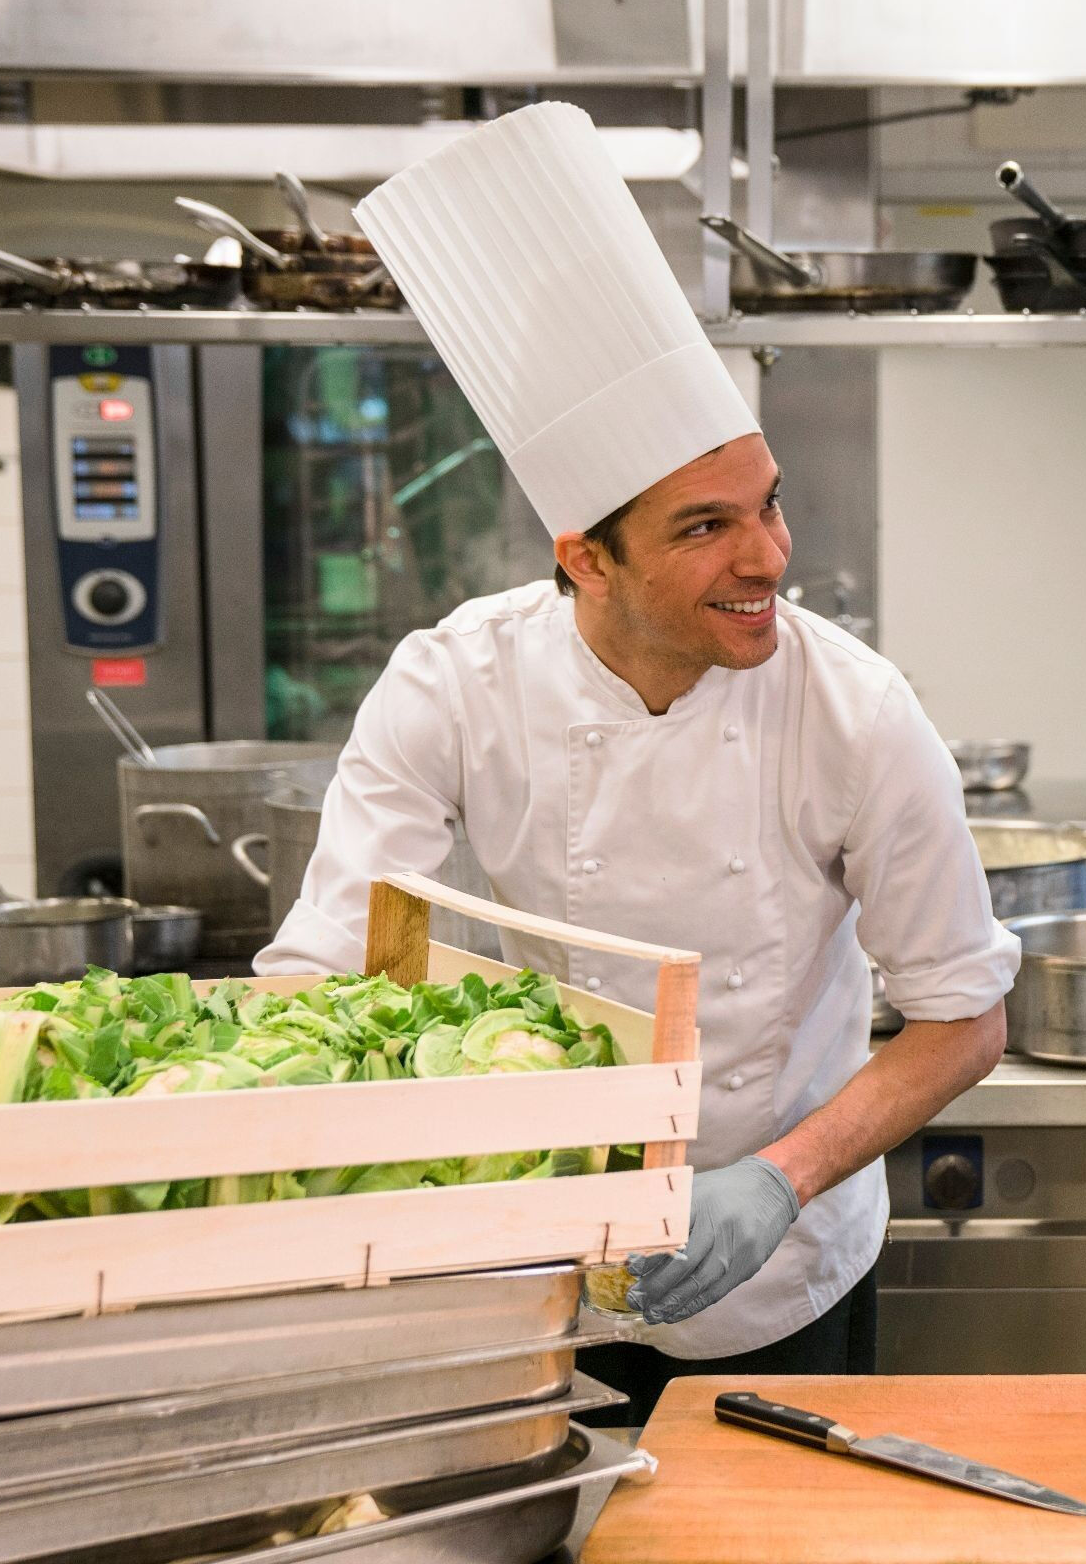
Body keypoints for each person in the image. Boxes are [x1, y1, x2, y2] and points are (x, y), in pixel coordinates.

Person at [257, 104, 1017, 1422]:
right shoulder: (453, 686)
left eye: (769, 502)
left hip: (779, 1277)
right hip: (518, 1273)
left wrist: (778, 1177)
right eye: (707, 527)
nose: (770, 556)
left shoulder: (855, 713)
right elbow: (329, 978)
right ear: (586, 559)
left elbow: (964, 1019)